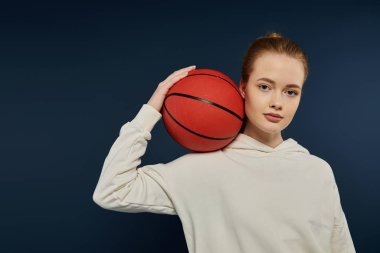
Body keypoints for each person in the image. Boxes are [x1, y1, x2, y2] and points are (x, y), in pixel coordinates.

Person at [92, 32, 356, 253]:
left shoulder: (318, 171)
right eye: (264, 86)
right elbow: (112, 190)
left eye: (291, 91)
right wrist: (151, 110)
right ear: (242, 87)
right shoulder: (201, 170)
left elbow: (341, 247)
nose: (278, 102)